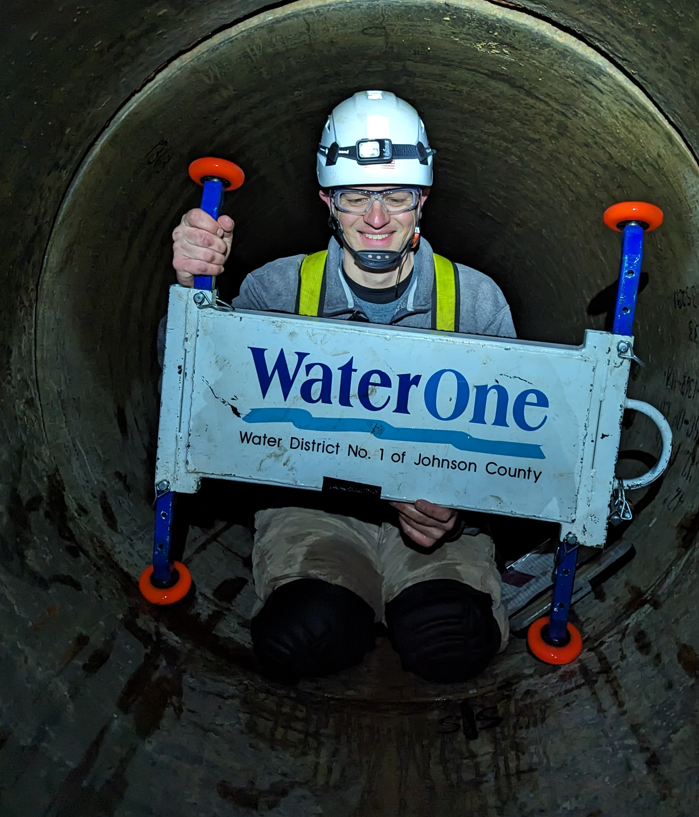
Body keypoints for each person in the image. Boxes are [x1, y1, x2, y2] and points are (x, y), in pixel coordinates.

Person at [171, 90, 516, 683]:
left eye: (396, 197)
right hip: (316, 511)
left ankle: (415, 598)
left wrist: (458, 510)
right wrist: (190, 292)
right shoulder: (276, 290)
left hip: (431, 521)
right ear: (329, 200)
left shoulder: (476, 299)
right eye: (357, 197)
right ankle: (347, 599)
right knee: (304, 634)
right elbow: (193, 401)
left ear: (422, 199)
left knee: (450, 639)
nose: (377, 219)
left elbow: (508, 445)